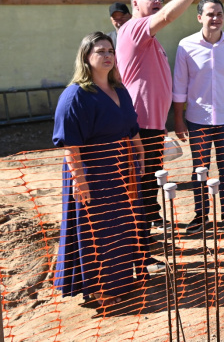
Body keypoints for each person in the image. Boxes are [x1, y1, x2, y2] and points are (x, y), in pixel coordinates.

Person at [116, 0, 224, 231]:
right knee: (140, 178)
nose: (156, 1)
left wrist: (162, 121)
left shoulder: (150, 39)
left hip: (150, 124)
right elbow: (167, 15)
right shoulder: (134, 29)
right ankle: (139, 235)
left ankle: (150, 219)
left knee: (151, 174)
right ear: (135, 3)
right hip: (138, 124)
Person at [53, 32, 154, 309]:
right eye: (100, 51)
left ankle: (120, 280)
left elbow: (131, 127)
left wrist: (140, 153)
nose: (108, 55)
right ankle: (100, 289)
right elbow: (70, 144)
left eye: (110, 50)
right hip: (92, 173)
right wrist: (80, 180)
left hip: (123, 169)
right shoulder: (75, 96)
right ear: (86, 57)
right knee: (98, 230)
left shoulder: (120, 89)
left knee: (122, 225)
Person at [172, 0, 224, 233]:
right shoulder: (186, 46)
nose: (215, 18)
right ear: (199, 18)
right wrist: (178, 119)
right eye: (210, 14)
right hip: (198, 120)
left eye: (219, 13)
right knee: (200, 169)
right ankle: (200, 215)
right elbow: (179, 85)